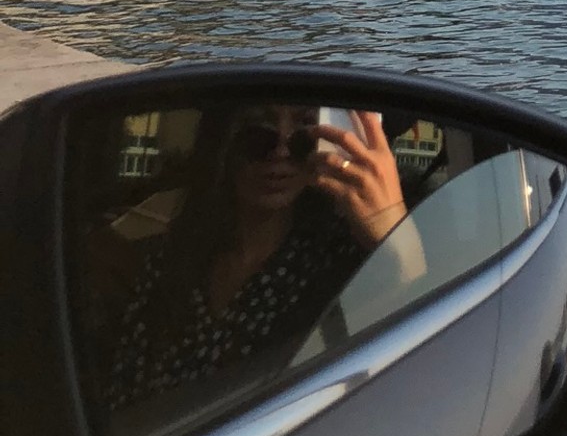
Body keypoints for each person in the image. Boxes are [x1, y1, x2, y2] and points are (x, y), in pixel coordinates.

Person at [104, 103, 407, 414]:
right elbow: (124, 394)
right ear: (224, 140)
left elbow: (416, 342)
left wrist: (390, 223)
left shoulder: (343, 266)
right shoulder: (168, 262)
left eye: (304, 131)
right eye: (258, 131)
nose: (281, 151)